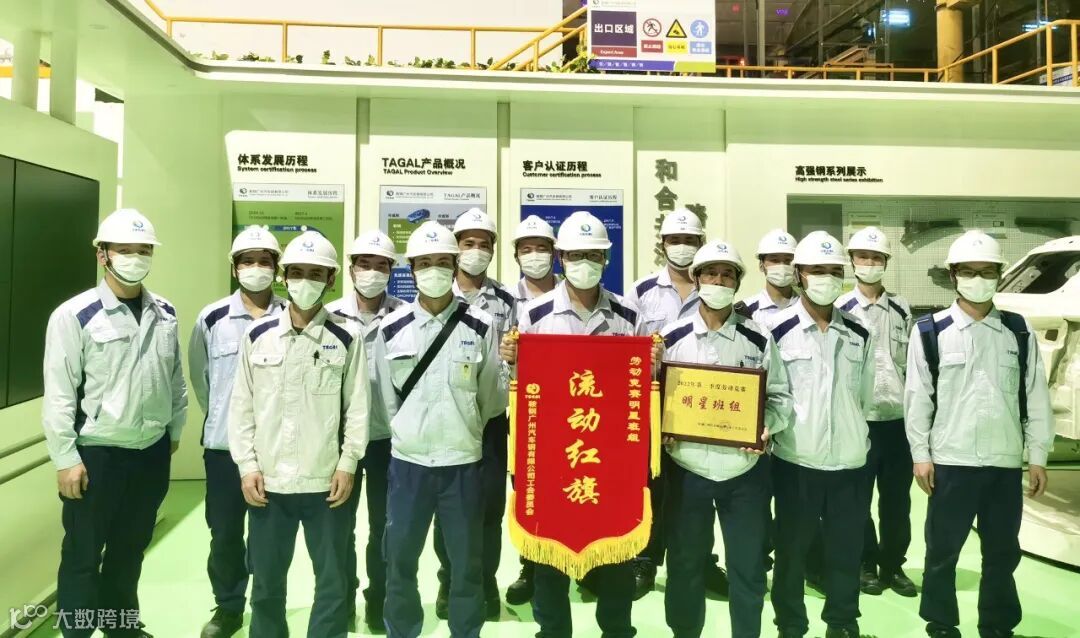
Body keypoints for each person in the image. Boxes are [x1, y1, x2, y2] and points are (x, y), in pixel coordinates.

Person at [502, 210, 658, 638]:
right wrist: (511, 360)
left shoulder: (629, 315)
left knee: (616, 552)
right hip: (554, 454)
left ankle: (616, 628)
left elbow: (643, 382)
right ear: (561, 258)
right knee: (550, 552)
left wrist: (653, 364)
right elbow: (519, 385)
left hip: (613, 457)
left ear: (606, 259)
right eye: (575, 255)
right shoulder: (535, 315)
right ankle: (552, 630)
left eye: (593, 255)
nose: (584, 262)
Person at [44, 208, 187, 638]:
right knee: (83, 554)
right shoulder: (75, 315)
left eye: (143, 250)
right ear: (102, 254)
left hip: (150, 452)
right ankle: (77, 632)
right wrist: (65, 458)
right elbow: (59, 393)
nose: (136, 257)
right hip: (97, 455)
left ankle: (120, 625)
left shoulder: (165, 311)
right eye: (125, 250)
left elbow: (175, 379)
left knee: (130, 548)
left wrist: (173, 432)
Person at [905, 230, 1054, 638]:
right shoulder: (930, 331)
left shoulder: (1018, 331)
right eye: (968, 271)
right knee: (942, 551)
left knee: (1002, 553)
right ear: (953, 275)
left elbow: (1035, 395)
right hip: (951, 462)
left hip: (1003, 463)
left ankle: (997, 625)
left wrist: (1037, 455)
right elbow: (918, 397)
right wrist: (921, 455)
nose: (978, 279)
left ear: (999, 275)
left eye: (987, 271)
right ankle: (940, 623)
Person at [228, 231, 368, 638]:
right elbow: (242, 407)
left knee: (332, 580)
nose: (306, 281)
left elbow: (358, 408)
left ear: (331, 280)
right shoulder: (257, 336)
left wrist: (347, 464)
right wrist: (247, 466)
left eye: (316, 273)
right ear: (284, 276)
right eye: (298, 272)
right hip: (269, 482)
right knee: (266, 581)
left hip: (326, 482)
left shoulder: (347, 337)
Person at [373, 221, 507, 638]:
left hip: (462, 465)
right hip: (408, 465)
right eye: (424, 263)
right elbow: (385, 401)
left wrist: (461, 429)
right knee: (400, 561)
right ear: (411, 268)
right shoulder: (390, 328)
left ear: (454, 266)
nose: (434, 270)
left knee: (467, 565)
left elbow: (491, 397)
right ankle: (402, 630)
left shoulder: (480, 325)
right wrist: (411, 431)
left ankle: (466, 631)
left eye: (442, 262)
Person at [661, 240, 793, 638]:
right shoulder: (670, 338)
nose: (718, 281)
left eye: (727, 275)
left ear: (736, 282)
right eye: (710, 273)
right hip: (687, 469)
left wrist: (766, 427)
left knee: (748, 567)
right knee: (684, 564)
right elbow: (651, 396)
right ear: (696, 278)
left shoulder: (759, 337)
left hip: (744, 471)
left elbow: (780, 397)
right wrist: (662, 428)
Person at [768, 230, 874, 638]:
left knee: (846, 551)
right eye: (817, 270)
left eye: (834, 270)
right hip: (796, 461)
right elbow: (773, 395)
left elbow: (863, 397)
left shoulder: (860, 333)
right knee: (791, 552)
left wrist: (853, 435)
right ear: (799, 274)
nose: (826, 278)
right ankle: (790, 625)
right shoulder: (776, 330)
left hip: (849, 464)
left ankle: (843, 623)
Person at [189, 226, 286, 638]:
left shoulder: (292, 315)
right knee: (225, 533)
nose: (256, 268)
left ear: (277, 269)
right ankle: (228, 607)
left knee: (270, 537)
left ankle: (267, 606)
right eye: (248, 261)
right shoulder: (212, 319)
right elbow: (201, 379)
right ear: (234, 268)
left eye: (264, 261)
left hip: (277, 449)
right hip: (224, 449)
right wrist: (225, 419)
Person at [429, 208, 516, 620]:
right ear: (455, 247)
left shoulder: (507, 301)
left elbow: (516, 361)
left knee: (488, 510)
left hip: (491, 420)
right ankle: (449, 580)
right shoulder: (437, 294)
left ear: (493, 250)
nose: (476, 251)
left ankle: (485, 581)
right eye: (469, 243)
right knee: (448, 508)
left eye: (484, 244)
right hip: (446, 418)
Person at [621, 207, 706, 599]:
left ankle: (701, 561)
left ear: (701, 244)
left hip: (701, 407)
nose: (682, 247)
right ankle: (645, 559)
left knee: (696, 486)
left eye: (690, 240)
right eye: (675, 240)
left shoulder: (715, 285)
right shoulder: (641, 292)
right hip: (653, 404)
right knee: (653, 484)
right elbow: (626, 350)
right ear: (663, 245)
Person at [325, 229, 405, 631]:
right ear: (351, 267)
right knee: (339, 527)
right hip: (341, 441)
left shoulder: (405, 315)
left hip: (391, 440)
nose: (371, 272)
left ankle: (380, 598)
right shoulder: (329, 315)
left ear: (390, 270)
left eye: (380, 265)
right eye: (364, 264)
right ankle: (341, 598)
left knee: (385, 527)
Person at [834, 226, 916, 598]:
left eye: (877, 257)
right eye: (863, 257)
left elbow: (911, 366)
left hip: (897, 422)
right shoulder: (840, 309)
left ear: (885, 262)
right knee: (858, 500)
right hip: (859, 421)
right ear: (852, 261)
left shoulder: (901, 308)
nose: (870, 263)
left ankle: (893, 565)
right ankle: (865, 563)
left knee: (897, 501)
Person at [504, 214, 558, 607]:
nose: (535, 255)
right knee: (530, 492)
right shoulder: (506, 300)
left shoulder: (575, 291)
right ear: (516, 255)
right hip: (528, 414)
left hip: (574, 412)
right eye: (527, 249)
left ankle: (585, 562)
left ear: (555, 254)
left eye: (542, 248)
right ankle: (531, 567)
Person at [734, 228, 800, 329]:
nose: (782, 266)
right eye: (775, 260)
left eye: (788, 260)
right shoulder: (744, 310)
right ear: (761, 265)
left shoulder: (808, 308)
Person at [511, 214, 559, 305]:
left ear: (554, 254)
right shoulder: (508, 299)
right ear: (516, 258)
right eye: (526, 251)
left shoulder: (570, 294)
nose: (534, 256)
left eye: (542, 250)